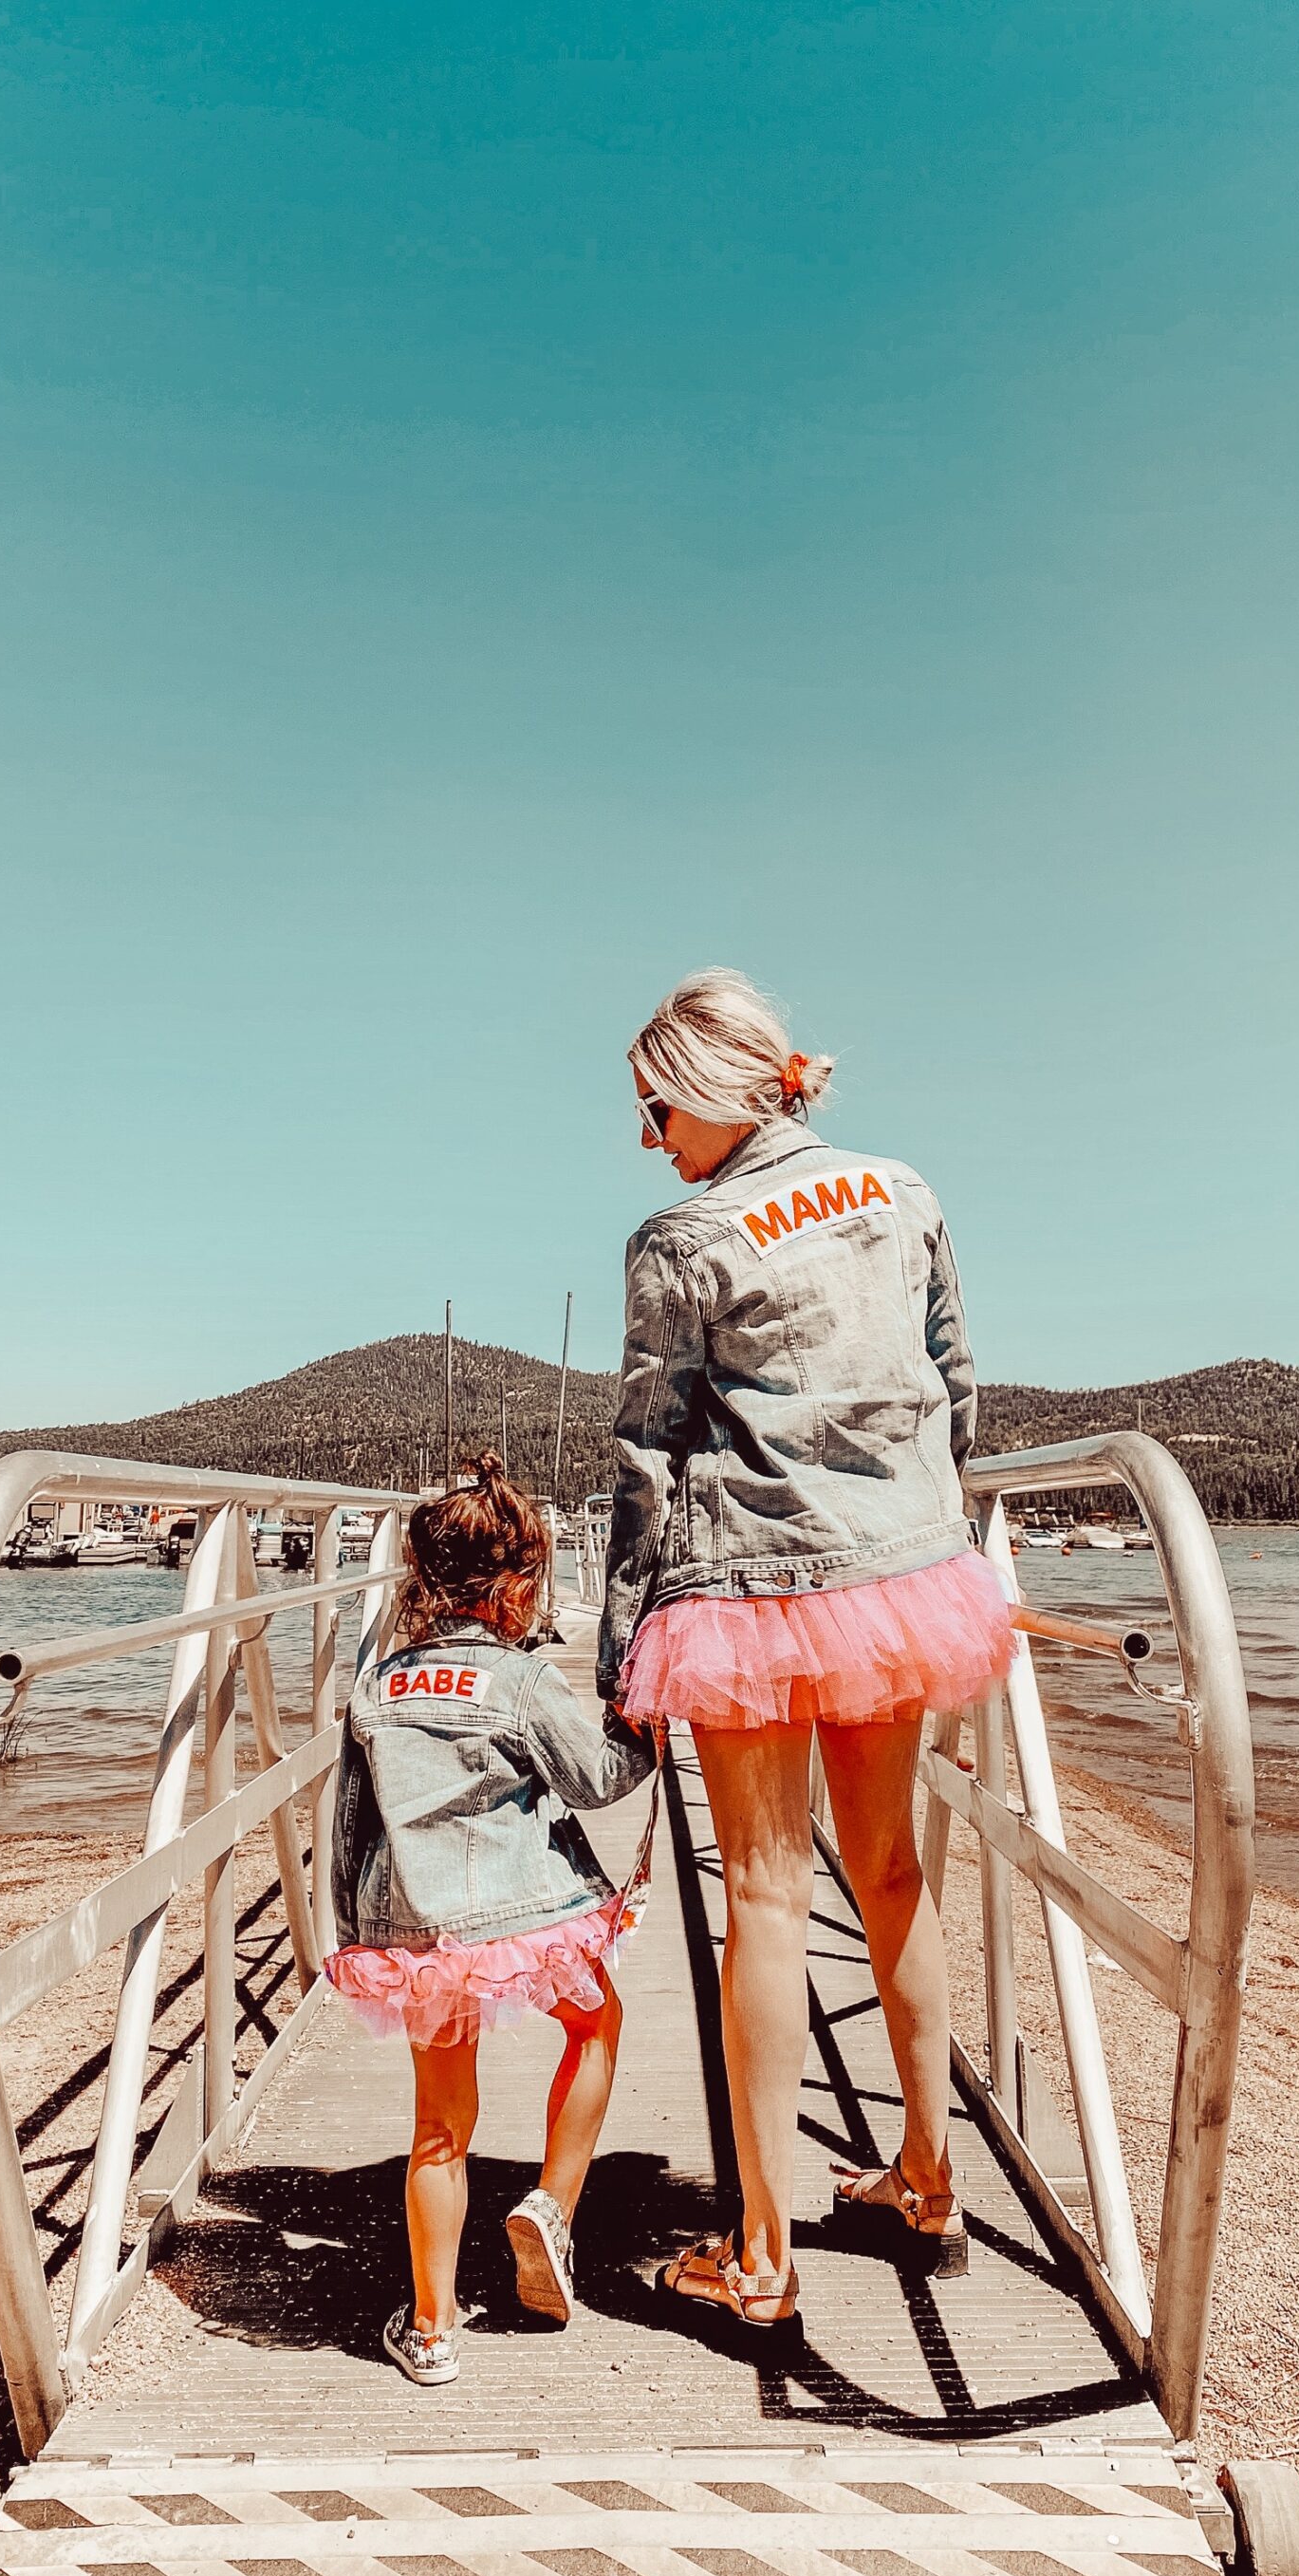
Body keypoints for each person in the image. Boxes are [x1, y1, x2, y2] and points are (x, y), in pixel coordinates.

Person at [601, 968, 1014, 2332]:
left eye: (656, 1107)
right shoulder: (905, 1190)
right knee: (891, 1870)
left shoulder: (683, 1232)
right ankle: (926, 2177)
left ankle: (763, 2252)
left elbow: (651, 1455)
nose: (650, 1137)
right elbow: (958, 1385)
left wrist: (620, 1647)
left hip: (756, 1588)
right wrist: (921, 1522)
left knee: (768, 1899)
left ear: (716, 1094)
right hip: (903, 1573)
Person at [326, 1454, 657, 2385]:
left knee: (440, 2124)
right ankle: (550, 2204)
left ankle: (430, 2331)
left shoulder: (376, 1685)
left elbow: (351, 1825)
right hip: (519, 1915)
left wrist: (361, 1933)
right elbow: (595, 1779)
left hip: (414, 1930)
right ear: (516, 1588)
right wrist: (643, 1724)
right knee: (595, 2025)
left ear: (420, 1583)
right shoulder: (515, 1680)